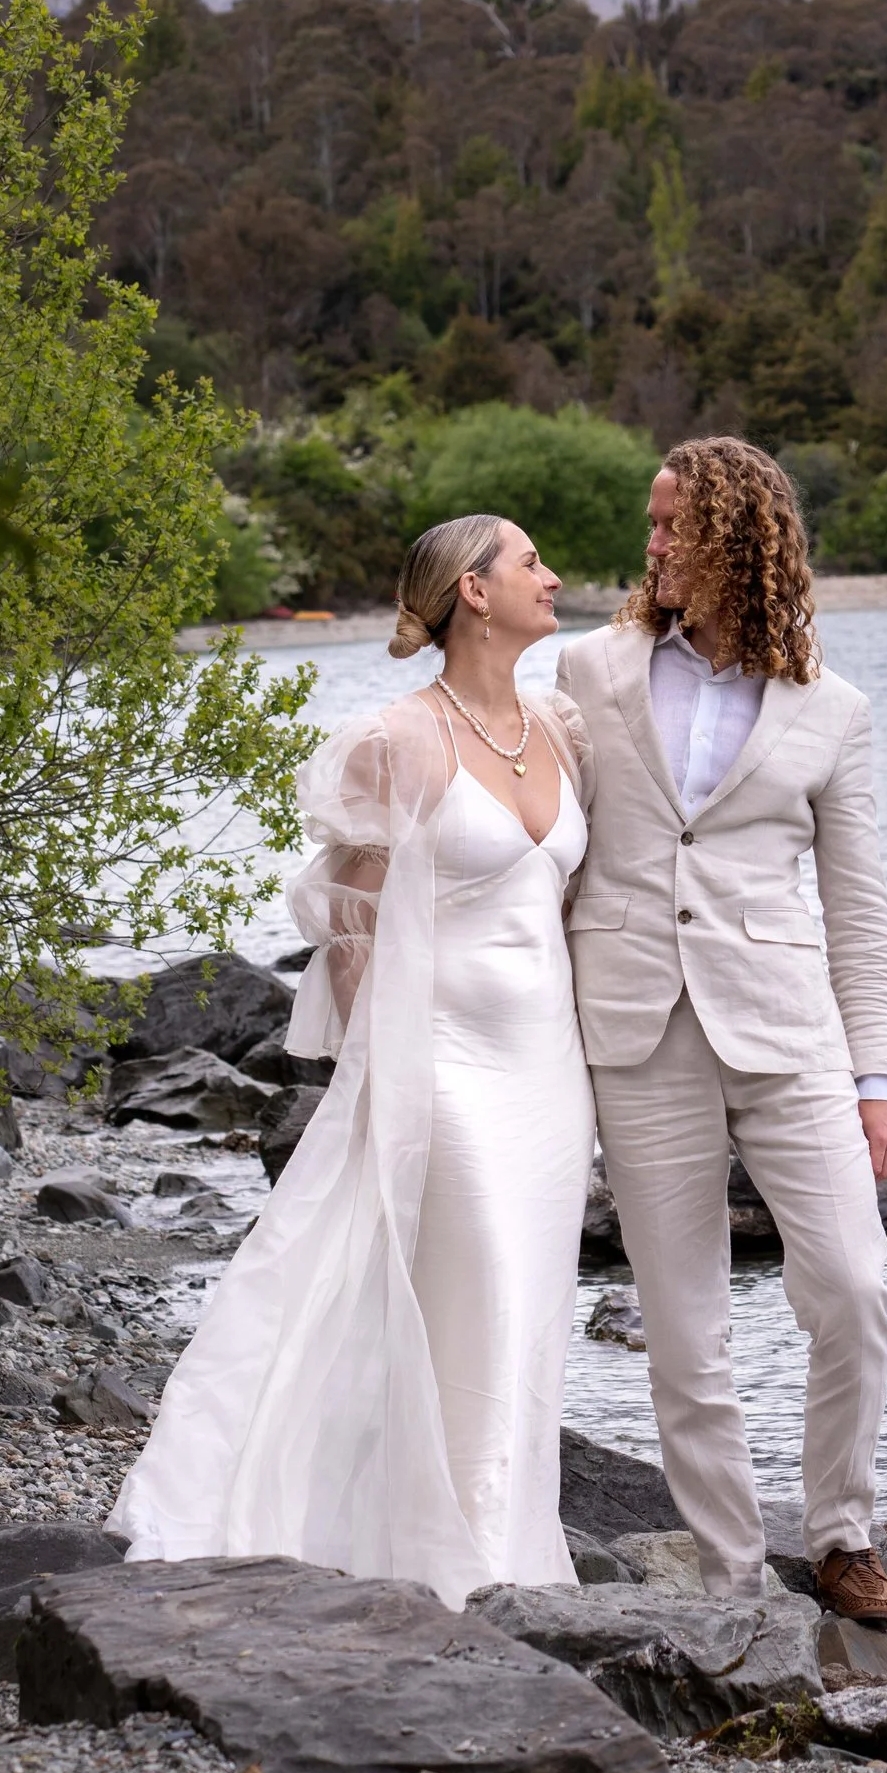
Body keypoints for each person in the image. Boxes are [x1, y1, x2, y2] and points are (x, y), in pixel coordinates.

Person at [112, 513, 593, 1603]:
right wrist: (386, 1071)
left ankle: (509, 1544)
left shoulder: (562, 727)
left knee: (527, 1306)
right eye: (530, 561)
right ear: (472, 591)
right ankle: (456, 1561)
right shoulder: (393, 742)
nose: (551, 576)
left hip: (547, 1074)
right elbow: (349, 926)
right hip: (446, 1064)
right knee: (473, 1284)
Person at [557, 434, 887, 1633]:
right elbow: (540, 843)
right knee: (684, 1328)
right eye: (651, 525)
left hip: (790, 1034)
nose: (654, 545)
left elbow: (860, 905)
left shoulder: (833, 711)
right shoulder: (588, 670)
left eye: (675, 526)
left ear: (740, 537)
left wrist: (876, 1073)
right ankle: (731, 1576)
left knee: (853, 1286)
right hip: (636, 1027)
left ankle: (841, 1536)